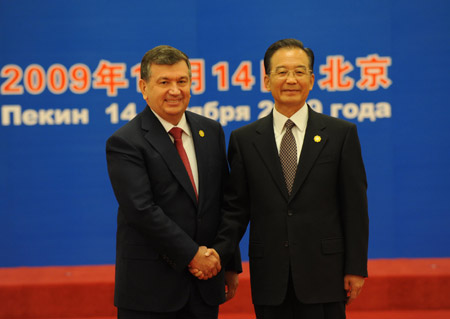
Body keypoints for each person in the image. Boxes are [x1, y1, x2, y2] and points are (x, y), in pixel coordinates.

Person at [210, 38, 369, 318]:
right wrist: (222, 260)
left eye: (299, 71)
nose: (291, 80)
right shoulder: (245, 140)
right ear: (267, 80)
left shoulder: (340, 134)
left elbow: (355, 207)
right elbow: (235, 210)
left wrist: (355, 268)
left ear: (312, 79)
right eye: (282, 72)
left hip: (325, 273)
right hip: (270, 276)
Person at [106, 45, 241, 319]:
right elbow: (142, 211)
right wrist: (194, 256)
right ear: (144, 87)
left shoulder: (211, 131)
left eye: (182, 81)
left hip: (205, 286)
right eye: (164, 82)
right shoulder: (125, 142)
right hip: (151, 291)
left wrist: (227, 262)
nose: (175, 90)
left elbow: (225, 202)